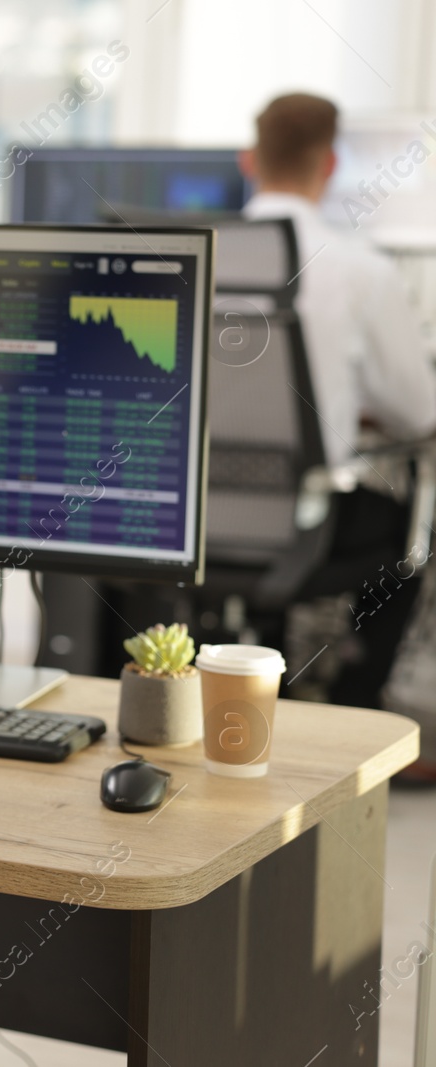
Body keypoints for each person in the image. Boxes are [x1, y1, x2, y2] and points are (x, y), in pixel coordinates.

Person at [239, 93, 436, 720]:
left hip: (193, 522)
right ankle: (357, 716)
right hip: (305, 526)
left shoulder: (190, 255)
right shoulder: (362, 270)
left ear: (249, 160)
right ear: (329, 164)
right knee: (408, 535)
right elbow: (419, 415)